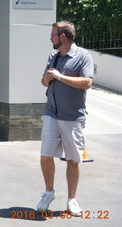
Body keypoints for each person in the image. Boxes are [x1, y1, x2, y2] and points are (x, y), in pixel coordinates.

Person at [37, 21, 94, 216]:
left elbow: (87, 82)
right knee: (45, 156)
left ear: (62, 37)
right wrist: (46, 79)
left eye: (52, 35)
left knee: (73, 160)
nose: (50, 38)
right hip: (51, 113)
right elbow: (44, 81)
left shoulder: (83, 56)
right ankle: (49, 192)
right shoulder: (52, 56)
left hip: (72, 117)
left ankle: (72, 200)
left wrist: (60, 77)